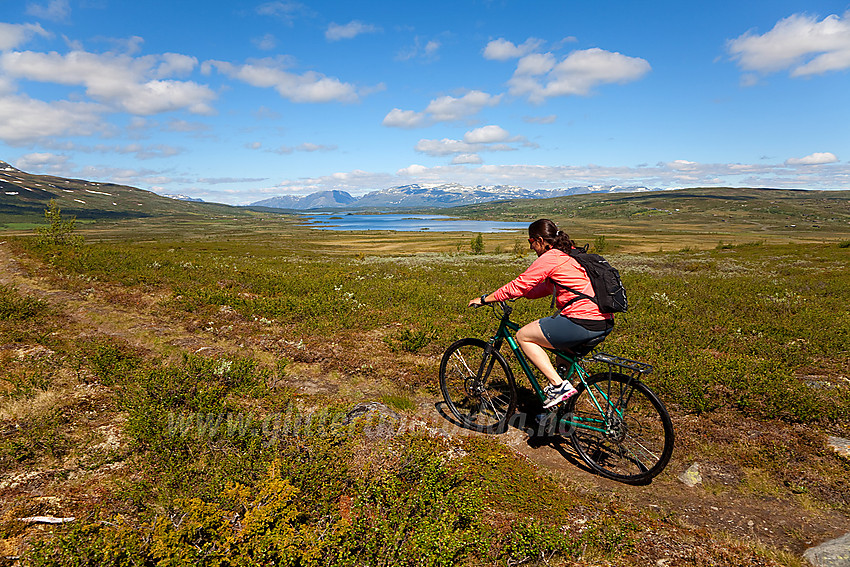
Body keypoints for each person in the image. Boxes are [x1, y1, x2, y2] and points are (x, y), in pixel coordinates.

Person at [468, 219, 614, 409]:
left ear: (539, 240)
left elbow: (519, 283)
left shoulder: (551, 257)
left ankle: (558, 386)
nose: (531, 248)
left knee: (523, 336)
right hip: (603, 321)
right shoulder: (568, 253)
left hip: (582, 320)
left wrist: (486, 299)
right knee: (563, 356)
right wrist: (521, 295)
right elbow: (544, 288)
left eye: (530, 242)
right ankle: (560, 418)